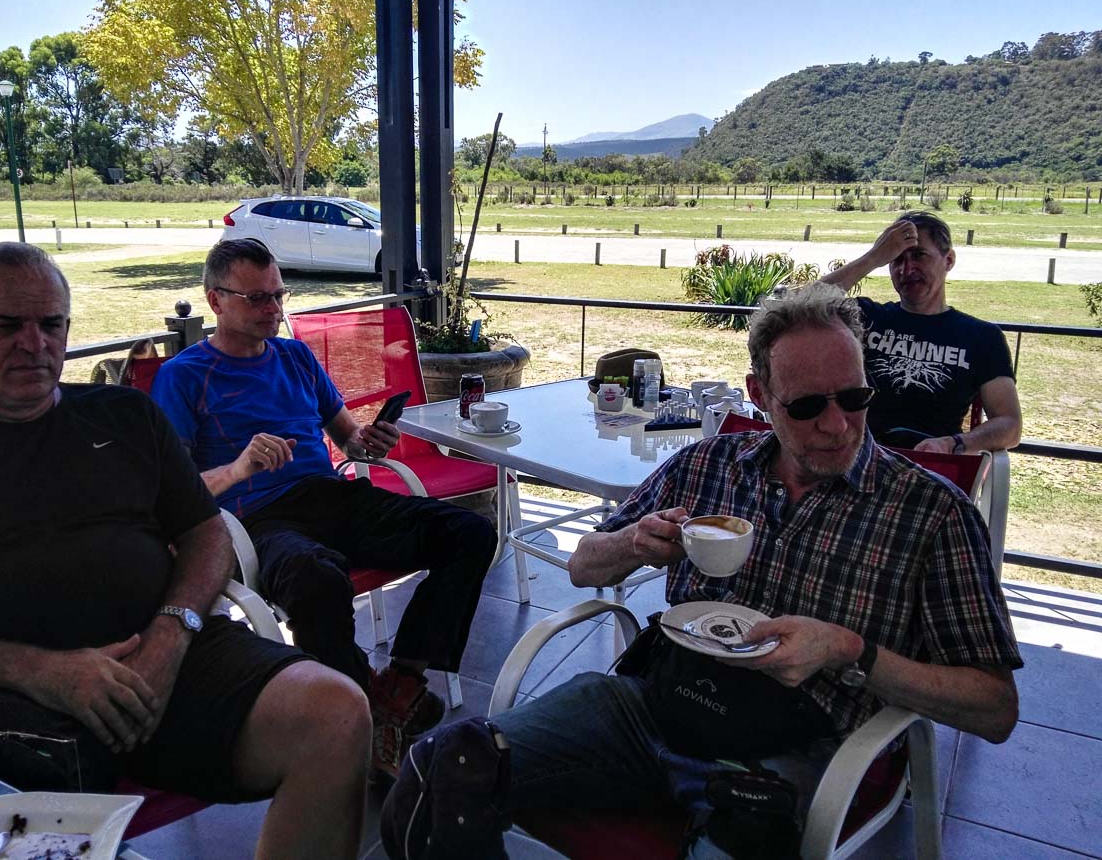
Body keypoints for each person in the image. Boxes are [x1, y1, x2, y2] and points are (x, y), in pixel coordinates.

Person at [382, 284, 1022, 858]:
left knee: (747, 834)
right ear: (759, 396)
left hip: (797, 748)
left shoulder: (931, 512)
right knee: (439, 771)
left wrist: (851, 651)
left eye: (854, 398)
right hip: (653, 703)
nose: (837, 425)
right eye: (806, 406)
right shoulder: (708, 465)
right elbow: (582, 565)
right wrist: (634, 542)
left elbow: (994, 709)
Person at [0, 243, 371, 860]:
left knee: (338, 714)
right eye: (8, 325)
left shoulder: (125, 416)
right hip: (10, 693)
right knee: (41, 821)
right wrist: (39, 671)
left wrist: (171, 635)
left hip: (171, 659)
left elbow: (206, 531)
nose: (34, 344)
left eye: (51, 324)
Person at [150, 238, 495, 774]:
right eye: (257, 299)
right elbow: (170, 493)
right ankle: (358, 706)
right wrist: (238, 468)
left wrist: (369, 443)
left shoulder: (295, 356)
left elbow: (348, 440)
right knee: (316, 581)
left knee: (470, 532)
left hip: (332, 497)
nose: (273, 309)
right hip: (255, 520)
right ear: (216, 300)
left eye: (278, 295)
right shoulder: (185, 375)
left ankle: (399, 687)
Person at [820, 211, 1022, 453]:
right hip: (861, 456)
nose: (906, 270)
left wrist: (953, 444)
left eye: (919, 255)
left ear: (948, 260)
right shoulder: (866, 317)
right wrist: (874, 257)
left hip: (930, 463)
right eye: (896, 259)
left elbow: (1010, 424)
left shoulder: (982, 337)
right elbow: (798, 305)